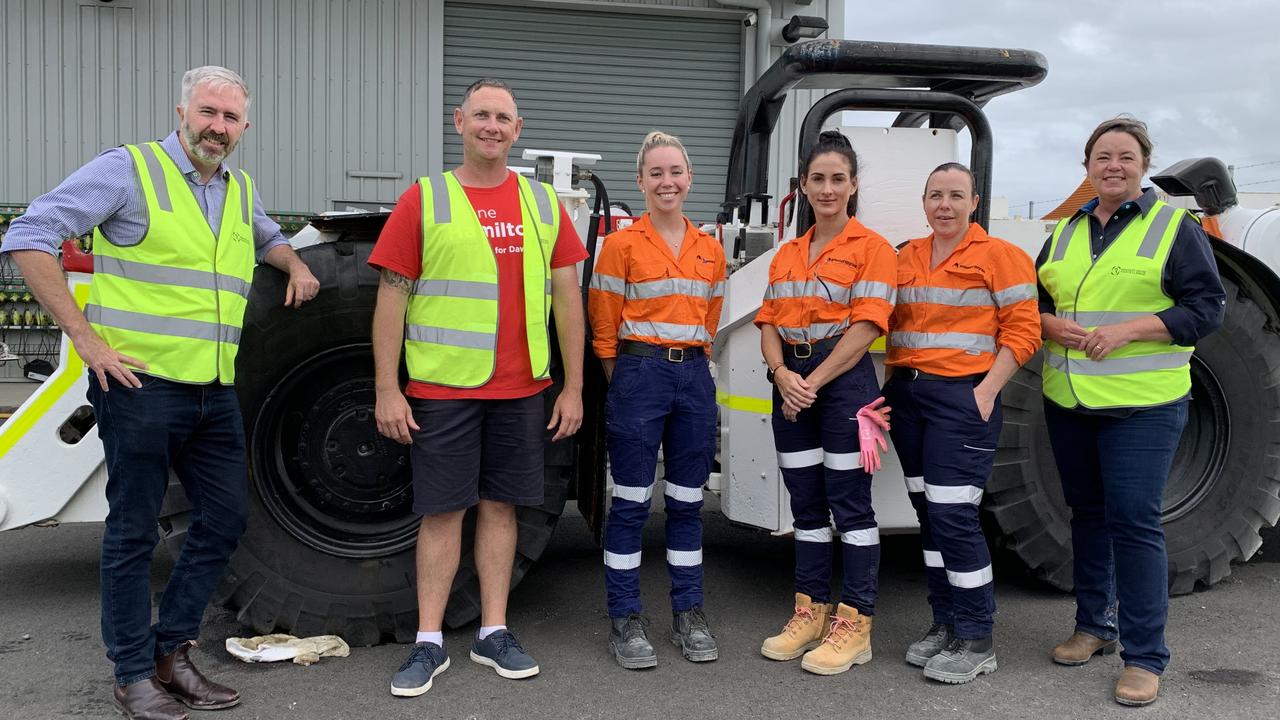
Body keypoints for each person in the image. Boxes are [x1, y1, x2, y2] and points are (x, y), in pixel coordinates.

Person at [1, 66, 320, 720]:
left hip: (212, 390)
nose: (218, 127)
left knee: (226, 519)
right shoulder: (130, 170)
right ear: (181, 111)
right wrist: (86, 341)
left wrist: (294, 263)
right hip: (139, 388)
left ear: (245, 127)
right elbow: (29, 236)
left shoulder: (238, 189)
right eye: (208, 112)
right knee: (133, 533)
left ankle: (172, 650)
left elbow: (264, 236)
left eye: (231, 118)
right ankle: (131, 672)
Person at [369, 78, 587, 697]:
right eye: (482, 115)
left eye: (505, 118)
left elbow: (567, 299)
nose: (493, 126)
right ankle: (429, 641)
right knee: (442, 513)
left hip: (522, 391)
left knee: (502, 509)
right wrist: (389, 387)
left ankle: (494, 632)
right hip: (443, 390)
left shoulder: (544, 205)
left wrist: (571, 388)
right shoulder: (426, 199)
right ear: (460, 122)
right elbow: (392, 296)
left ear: (518, 131)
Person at [1037, 116, 1225, 706]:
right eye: (1102, 157)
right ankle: (1094, 627)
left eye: (1125, 156)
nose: (1112, 166)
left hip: (1143, 406)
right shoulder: (1064, 232)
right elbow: (1033, 303)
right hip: (1070, 399)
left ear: (1143, 165)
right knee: (1087, 514)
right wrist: (1049, 324)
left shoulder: (1175, 227)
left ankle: (1145, 657)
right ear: (1087, 166)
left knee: (1134, 522)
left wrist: (1131, 331)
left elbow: (1207, 308)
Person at [883, 163, 1041, 684]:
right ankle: (945, 623)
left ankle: (977, 638)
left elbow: (1024, 331)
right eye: (935, 195)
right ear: (924, 202)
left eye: (955, 195)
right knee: (928, 513)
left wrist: (985, 392)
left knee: (954, 516)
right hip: (908, 398)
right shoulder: (904, 257)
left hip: (963, 399)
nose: (944, 205)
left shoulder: (1001, 257)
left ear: (974, 202)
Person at [754, 130, 897, 676]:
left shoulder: (873, 249)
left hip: (843, 384)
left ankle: (855, 624)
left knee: (850, 506)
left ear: (854, 185)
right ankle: (809, 613)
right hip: (791, 379)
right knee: (807, 505)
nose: (828, 188)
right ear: (805, 187)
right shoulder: (788, 253)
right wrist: (782, 373)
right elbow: (768, 322)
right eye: (819, 179)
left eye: (839, 178)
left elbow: (866, 327)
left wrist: (809, 382)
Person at [587, 131, 727, 669]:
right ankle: (624, 619)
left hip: (693, 374)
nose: (667, 182)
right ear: (640, 181)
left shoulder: (710, 249)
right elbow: (604, 328)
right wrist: (627, 380)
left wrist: (686, 362)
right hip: (638, 372)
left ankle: (688, 613)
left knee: (689, 504)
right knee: (630, 501)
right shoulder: (621, 245)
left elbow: (709, 316)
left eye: (676, 172)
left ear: (689, 178)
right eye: (656, 173)